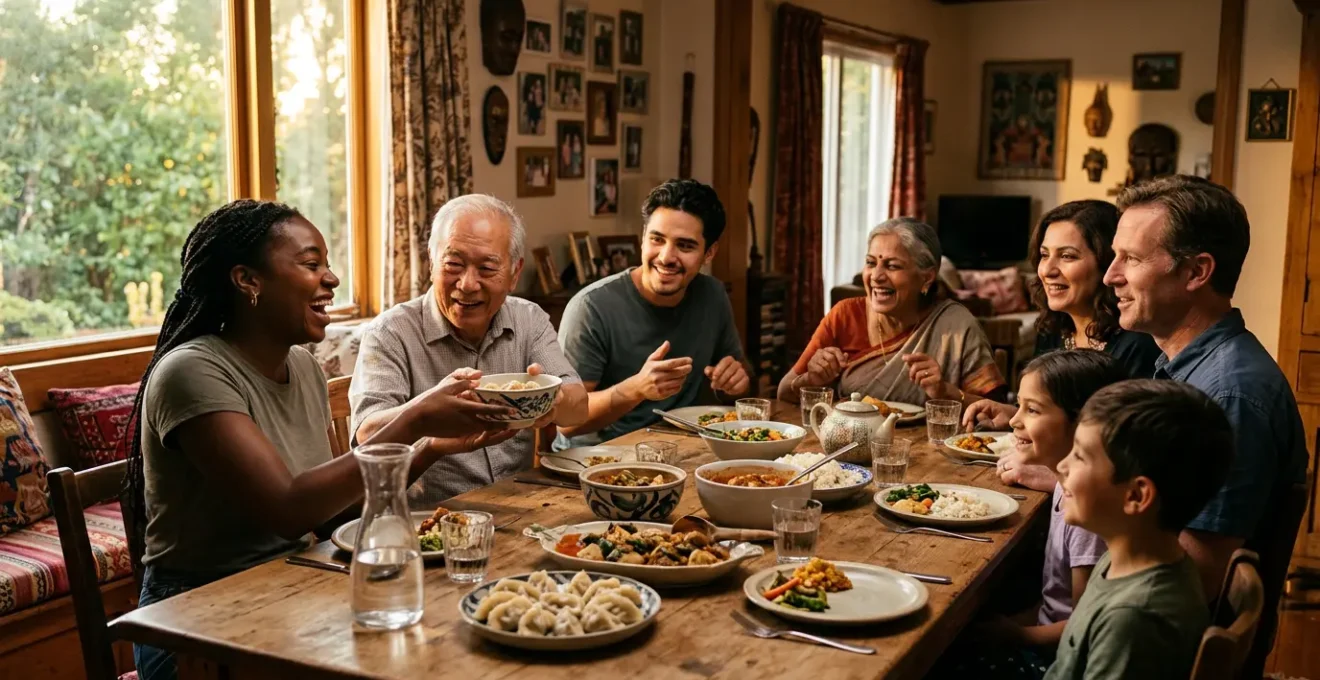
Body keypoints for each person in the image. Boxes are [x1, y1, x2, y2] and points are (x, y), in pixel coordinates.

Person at [125, 200, 512, 680]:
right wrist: (414, 419)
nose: (331, 279)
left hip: (291, 589)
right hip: (195, 624)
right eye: (311, 265)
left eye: (327, 264)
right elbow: (287, 510)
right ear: (248, 280)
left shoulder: (303, 365)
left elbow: (339, 512)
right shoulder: (192, 372)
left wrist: (430, 447)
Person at [1103, 175, 1308, 674]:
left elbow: (1196, 577)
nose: (1111, 276)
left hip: (1163, 650)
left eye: (1130, 258)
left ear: (1196, 271)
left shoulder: (1229, 395)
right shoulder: (1183, 366)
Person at [350, 194, 589, 505]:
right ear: (432, 262)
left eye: (487, 269)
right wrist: (427, 409)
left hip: (519, 508)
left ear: (515, 274)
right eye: (454, 264)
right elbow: (367, 436)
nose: (467, 283)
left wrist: (549, 401)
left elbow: (579, 406)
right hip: (431, 520)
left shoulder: (528, 319)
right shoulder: (390, 332)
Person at [937, 350, 1129, 679]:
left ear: (1083, 422)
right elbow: (1056, 601)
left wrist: (1017, 635)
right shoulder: (1064, 483)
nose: (1014, 420)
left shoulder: (1088, 519)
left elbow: (1083, 627)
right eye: (1020, 405)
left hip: (1056, 661)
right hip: (1046, 635)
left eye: (1033, 409)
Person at [963, 200, 1160, 488]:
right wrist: (1015, 415)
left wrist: (1058, 477)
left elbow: (1134, 458)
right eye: (1044, 255)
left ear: (1107, 264)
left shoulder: (1138, 345)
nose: (1048, 270)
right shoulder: (1053, 330)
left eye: (1067, 256)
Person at [1044, 379, 1232, 679]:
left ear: (1136, 496)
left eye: (1079, 456)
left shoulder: (1134, 619)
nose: (1063, 466)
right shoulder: (1122, 557)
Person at [557, 179, 751, 446]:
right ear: (642, 237)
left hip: (682, 453)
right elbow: (566, 421)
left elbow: (737, 380)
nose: (666, 257)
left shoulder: (713, 295)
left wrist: (735, 381)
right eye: (657, 239)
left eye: (685, 246)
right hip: (595, 464)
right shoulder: (591, 308)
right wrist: (635, 389)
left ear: (710, 253)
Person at [778, 217, 1007, 406]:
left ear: (926, 277)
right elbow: (784, 392)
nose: (876, 276)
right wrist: (812, 379)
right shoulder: (844, 315)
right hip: (850, 447)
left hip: (930, 453)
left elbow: (997, 415)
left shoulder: (956, 326)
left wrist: (944, 391)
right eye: (870, 263)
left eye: (892, 266)